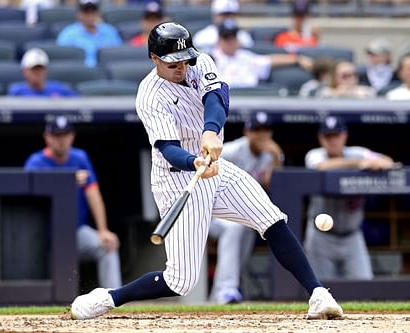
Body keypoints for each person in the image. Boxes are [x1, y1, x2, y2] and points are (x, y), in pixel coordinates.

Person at [70, 21, 342, 321]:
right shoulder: (149, 96)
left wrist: (211, 131)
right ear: (154, 58)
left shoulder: (200, 61)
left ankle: (318, 294)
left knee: (271, 218)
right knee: (180, 281)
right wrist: (193, 162)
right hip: (177, 179)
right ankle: (109, 297)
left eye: (185, 59)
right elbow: (168, 149)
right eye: (173, 62)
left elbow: (217, 99)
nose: (182, 66)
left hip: (217, 168)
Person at [24, 115, 122, 289]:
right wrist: (67, 180)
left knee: (107, 245)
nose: (61, 140)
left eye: (65, 135)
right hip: (42, 235)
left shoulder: (80, 158)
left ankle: (113, 297)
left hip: (76, 231)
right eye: (56, 135)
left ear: (72, 136)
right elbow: (29, 193)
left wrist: (103, 230)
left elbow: (93, 195)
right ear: (47, 137)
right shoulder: (36, 161)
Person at [303, 116, 395, 280]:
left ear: (344, 136)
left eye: (336, 135)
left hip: (352, 236)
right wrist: (359, 164)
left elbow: (388, 161)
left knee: (364, 285)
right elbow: (323, 167)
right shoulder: (315, 155)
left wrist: (375, 164)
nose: (333, 141)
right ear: (320, 138)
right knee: (320, 288)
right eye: (328, 136)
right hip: (321, 237)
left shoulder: (357, 152)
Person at [208, 111, 284, 304]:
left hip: (238, 216)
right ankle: (226, 290)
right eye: (256, 130)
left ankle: (221, 294)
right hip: (210, 211)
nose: (261, 136)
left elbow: (271, 186)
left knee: (244, 231)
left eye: (266, 130)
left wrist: (276, 160)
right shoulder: (231, 151)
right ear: (247, 132)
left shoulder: (271, 155)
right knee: (235, 227)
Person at [211, 19, 313, 88]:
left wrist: (297, 59)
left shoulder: (245, 57)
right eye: (226, 38)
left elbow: (270, 60)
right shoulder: (210, 59)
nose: (230, 41)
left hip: (250, 101)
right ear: (219, 40)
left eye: (233, 37)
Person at [56, 0, 122, 67]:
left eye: (93, 12)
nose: (90, 16)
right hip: (80, 73)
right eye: (86, 12)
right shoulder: (68, 34)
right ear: (78, 14)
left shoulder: (110, 31)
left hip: (104, 72)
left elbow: (117, 56)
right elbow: (64, 61)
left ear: (99, 13)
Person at [8, 48, 78, 97]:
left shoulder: (59, 89)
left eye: (41, 69)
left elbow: (77, 104)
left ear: (46, 71)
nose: (38, 73)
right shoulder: (17, 92)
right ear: (24, 71)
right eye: (34, 69)